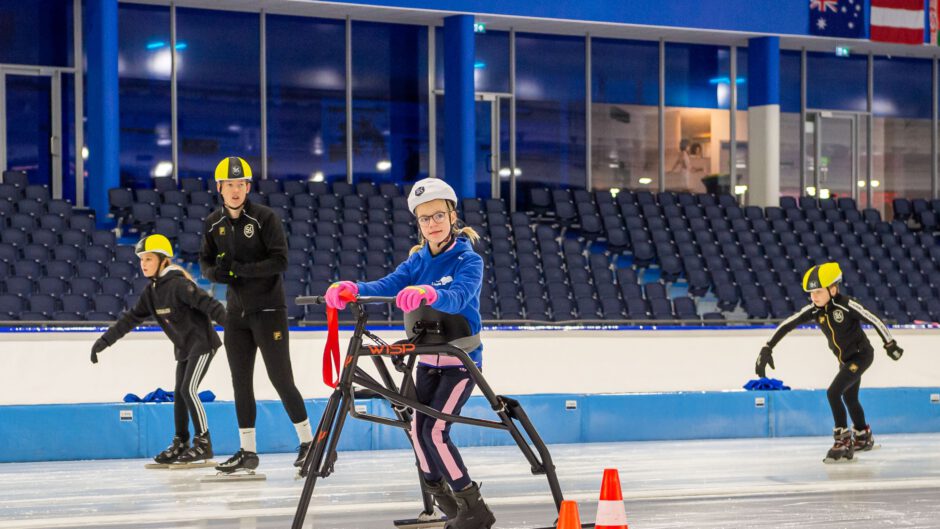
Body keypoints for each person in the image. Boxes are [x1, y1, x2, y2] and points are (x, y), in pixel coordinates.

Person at [324, 177, 495, 529]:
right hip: (427, 361)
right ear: (417, 224)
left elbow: (459, 296)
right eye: (424, 219)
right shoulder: (417, 260)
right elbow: (387, 284)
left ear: (452, 216)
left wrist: (428, 293)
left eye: (438, 216)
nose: (432, 224)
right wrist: (353, 288)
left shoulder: (468, 259)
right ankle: (447, 502)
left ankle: (474, 507)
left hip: (459, 363)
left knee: (434, 431)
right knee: (417, 429)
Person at [199, 156, 312, 474]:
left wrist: (239, 271)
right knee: (240, 382)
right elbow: (205, 262)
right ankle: (248, 451)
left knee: (281, 379)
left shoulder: (265, 218)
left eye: (241, 184)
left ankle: (309, 443)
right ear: (219, 187)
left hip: (269, 310)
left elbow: (280, 261)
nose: (236, 190)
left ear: (248, 187)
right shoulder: (213, 224)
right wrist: (216, 275)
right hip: (237, 315)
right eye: (230, 184)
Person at [90, 234, 226, 465]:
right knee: (180, 395)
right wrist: (103, 342)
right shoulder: (151, 293)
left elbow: (210, 305)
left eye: (149, 259)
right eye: (141, 259)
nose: (143, 264)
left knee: (189, 390)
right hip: (184, 347)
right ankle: (181, 441)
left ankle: (204, 443)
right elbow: (130, 319)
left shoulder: (179, 285)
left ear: (163, 260)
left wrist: (237, 329)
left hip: (203, 344)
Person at [755, 262, 904, 463]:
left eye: (818, 291)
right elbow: (788, 324)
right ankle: (862, 436)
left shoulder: (847, 304)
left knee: (833, 392)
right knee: (850, 398)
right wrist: (767, 347)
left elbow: (873, 318)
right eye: (811, 293)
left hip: (861, 356)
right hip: (845, 360)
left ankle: (843, 441)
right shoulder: (815, 310)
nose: (813, 297)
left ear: (833, 289)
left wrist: (890, 343)